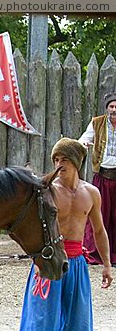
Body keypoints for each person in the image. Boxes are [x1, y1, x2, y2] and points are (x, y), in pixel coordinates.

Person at [10, 138, 113, 331]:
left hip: (77, 264)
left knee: (77, 321)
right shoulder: (48, 191)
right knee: (38, 319)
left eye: (64, 159)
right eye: (56, 159)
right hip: (48, 262)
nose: (58, 164)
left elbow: (99, 231)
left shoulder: (91, 193)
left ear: (76, 162)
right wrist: (36, 259)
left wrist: (107, 265)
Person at [78, 92, 116, 266]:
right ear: (107, 108)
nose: (114, 110)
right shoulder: (97, 123)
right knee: (98, 214)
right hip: (102, 176)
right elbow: (83, 139)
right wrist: (83, 144)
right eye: (112, 106)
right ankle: (95, 252)